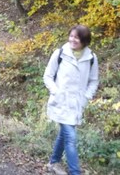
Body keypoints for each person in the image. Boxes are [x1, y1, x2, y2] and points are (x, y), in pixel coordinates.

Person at [44, 25, 99, 175]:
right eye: (71, 36)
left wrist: (86, 97)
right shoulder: (60, 53)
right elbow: (48, 76)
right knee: (71, 137)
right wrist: (56, 92)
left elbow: (93, 81)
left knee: (65, 134)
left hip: (76, 104)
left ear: (85, 41)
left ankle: (53, 162)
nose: (73, 40)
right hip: (61, 102)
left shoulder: (91, 58)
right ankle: (75, 172)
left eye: (77, 38)